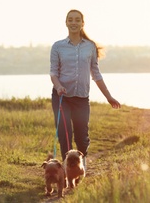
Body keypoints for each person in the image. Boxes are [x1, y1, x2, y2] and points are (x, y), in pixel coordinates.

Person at [50, 9, 121, 170]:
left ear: (83, 23)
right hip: (61, 97)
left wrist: (109, 97)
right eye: (70, 20)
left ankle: (79, 165)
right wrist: (59, 86)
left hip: (81, 98)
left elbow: (96, 74)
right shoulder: (57, 47)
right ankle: (68, 171)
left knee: (82, 138)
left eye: (77, 20)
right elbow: (53, 72)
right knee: (65, 134)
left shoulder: (90, 47)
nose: (73, 22)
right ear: (66, 22)